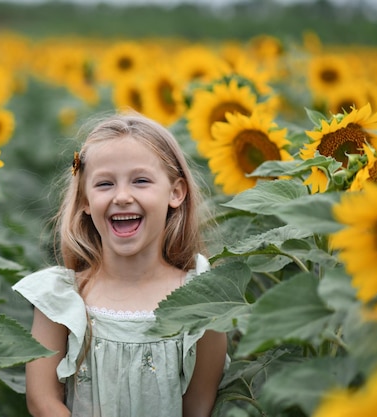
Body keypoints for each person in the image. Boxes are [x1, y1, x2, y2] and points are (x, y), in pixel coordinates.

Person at [13, 111, 227, 417]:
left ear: (176, 192)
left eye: (140, 181)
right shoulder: (61, 298)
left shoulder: (201, 298)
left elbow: (198, 406)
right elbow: (42, 400)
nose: (122, 196)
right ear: (85, 200)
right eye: (104, 184)